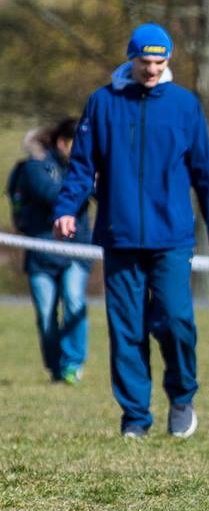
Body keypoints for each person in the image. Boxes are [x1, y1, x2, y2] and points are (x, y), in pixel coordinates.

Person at [53, 23, 209, 438]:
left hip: (172, 237)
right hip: (120, 234)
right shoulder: (102, 103)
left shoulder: (185, 106)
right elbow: (82, 166)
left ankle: (182, 395)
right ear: (131, 58)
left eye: (159, 62)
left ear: (168, 61)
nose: (152, 70)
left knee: (175, 320)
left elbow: (205, 174)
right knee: (126, 329)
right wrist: (67, 208)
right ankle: (135, 417)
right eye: (145, 61)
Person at [17, 119, 92, 384]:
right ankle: (55, 368)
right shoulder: (35, 166)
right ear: (63, 142)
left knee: (74, 301)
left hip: (76, 248)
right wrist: (83, 185)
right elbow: (50, 194)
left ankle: (73, 363)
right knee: (47, 315)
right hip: (42, 249)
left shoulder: (86, 167)